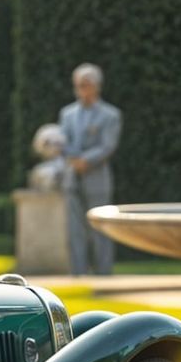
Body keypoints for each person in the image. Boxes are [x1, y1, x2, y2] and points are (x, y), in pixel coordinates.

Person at [59, 63, 122, 275]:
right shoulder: (67, 114)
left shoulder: (110, 115)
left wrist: (84, 160)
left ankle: (103, 273)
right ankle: (77, 273)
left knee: (100, 229)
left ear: (96, 86)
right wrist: (71, 159)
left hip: (97, 178)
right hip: (72, 178)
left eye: (85, 85)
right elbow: (62, 141)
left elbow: (107, 146)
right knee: (74, 229)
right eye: (78, 85)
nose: (81, 89)